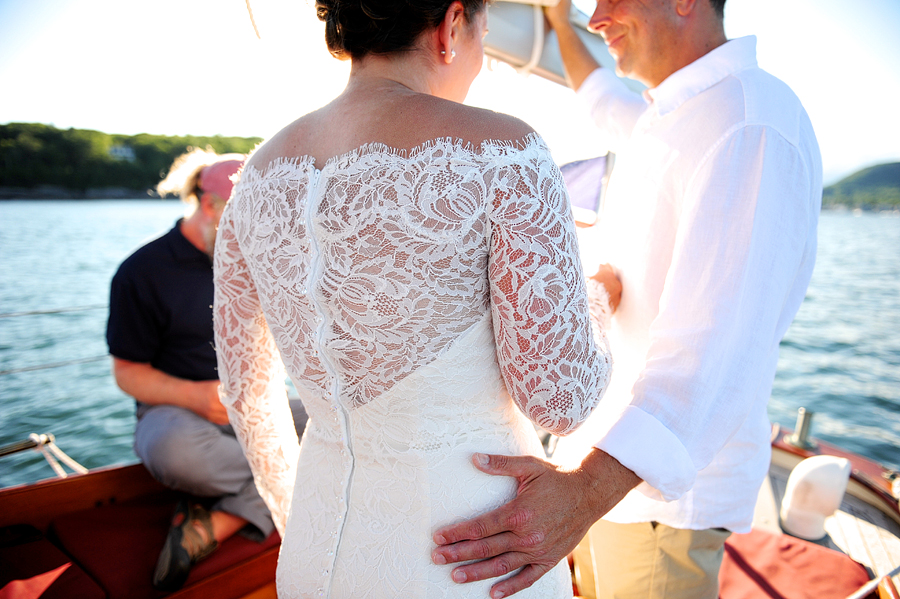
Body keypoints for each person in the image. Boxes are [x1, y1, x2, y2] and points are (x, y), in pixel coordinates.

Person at [212, 1, 618, 597]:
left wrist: (299, 521)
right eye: (482, 31)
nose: (480, 58)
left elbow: (247, 394)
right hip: (470, 556)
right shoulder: (503, 152)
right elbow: (560, 400)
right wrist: (597, 303)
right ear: (452, 24)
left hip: (313, 552)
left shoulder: (257, 177)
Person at [430, 1, 823, 598]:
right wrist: (557, 22)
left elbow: (714, 350)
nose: (597, 16)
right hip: (610, 478)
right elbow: (596, 93)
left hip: (655, 505)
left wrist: (582, 493)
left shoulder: (749, 122)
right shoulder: (670, 114)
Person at [107, 149, 299, 592]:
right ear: (208, 205)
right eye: (244, 213)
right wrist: (196, 397)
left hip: (257, 405)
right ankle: (286, 488)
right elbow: (127, 373)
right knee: (176, 452)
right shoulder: (141, 272)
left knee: (340, 426)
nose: (256, 226)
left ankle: (215, 521)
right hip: (177, 414)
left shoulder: (260, 258)